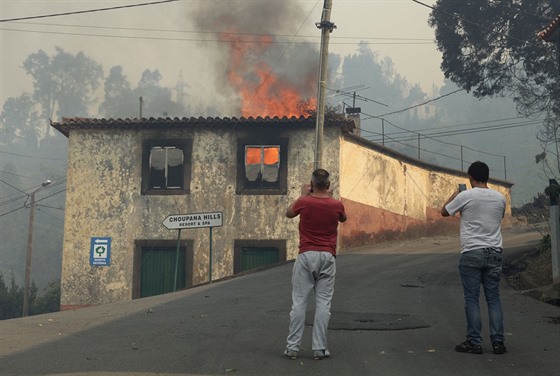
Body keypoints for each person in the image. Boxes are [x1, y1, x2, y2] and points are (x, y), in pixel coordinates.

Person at [441, 161, 507, 355]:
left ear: (470, 177)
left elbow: (444, 212)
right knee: (493, 299)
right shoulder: (500, 198)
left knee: (472, 299)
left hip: (471, 252)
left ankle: (474, 342)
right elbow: (498, 218)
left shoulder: (465, 195)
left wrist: (455, 195)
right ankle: (498, 342)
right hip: (494, 252)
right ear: (487, 177)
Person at [283, 168, 347, 360]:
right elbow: (343, 218)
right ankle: (319, 348)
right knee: (323, 304)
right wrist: (331, 197)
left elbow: (289, 213)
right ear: (328, 185)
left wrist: (303, 195)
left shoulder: (303, 201)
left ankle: (292, 347)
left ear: (311, 185)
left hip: (306, 254)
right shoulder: (337, 205)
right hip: (327, 256)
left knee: (299, 302)